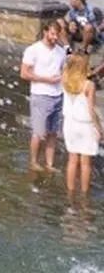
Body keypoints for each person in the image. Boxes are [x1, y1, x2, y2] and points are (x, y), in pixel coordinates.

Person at [20, 20, 66, 173]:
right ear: (45, 32)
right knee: (39, 133)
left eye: (57, 35)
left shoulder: (61, 51)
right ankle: (33, 162)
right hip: (40, 95)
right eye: (52, 34)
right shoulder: (33, 50)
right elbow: (24, 73)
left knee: (53, 133)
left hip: (58, 95)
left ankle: (49, 164)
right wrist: (47, 80)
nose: (55, 37)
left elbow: (65, 69)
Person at [61, 53, 103, 200]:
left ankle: (70, 192)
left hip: (70, 124)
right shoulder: (88, 85)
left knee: (72, 159)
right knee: (86, 163)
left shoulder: (65, 80)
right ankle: (84, 194)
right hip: (85, 125)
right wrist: (99, 128)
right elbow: (91, 110)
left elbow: (66, 69)